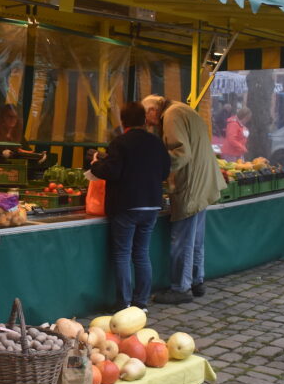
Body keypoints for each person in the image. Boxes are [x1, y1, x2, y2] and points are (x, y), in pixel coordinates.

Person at [143, 94, 226, 303]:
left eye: (147, 117)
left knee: (182, 239)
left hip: (191, 183)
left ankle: (180, 288)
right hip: (203, 179)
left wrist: (157, 167)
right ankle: (197, 281)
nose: (148, 123)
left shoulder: (172, 115)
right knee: (195, 238)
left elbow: (181, 153)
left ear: (153, 110)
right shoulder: (181, 109)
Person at [89, 102, 170, 310]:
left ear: (123, 121)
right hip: (151, 205)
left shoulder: (120, 143)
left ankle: (123, 303)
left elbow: (112, 172)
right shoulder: (157, 143)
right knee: (142, 253)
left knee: (123, 254)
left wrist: (97, 163)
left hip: (126, 206)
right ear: (144, 120)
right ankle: (141, 302)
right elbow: (164, 172)